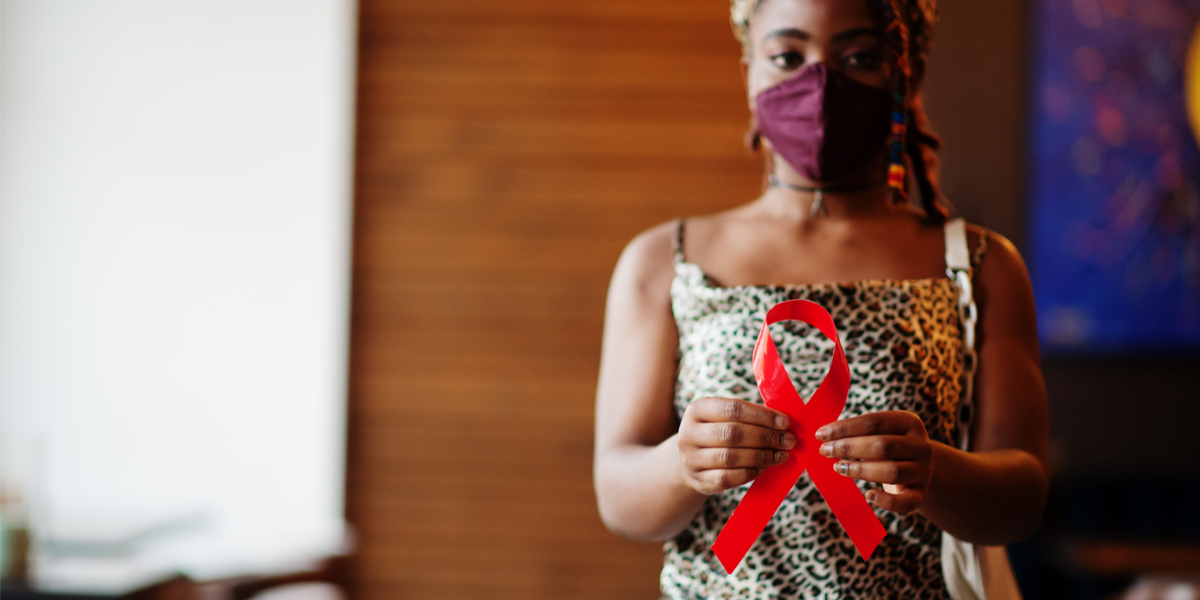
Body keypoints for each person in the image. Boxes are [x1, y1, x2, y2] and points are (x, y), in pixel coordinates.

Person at [591, 0, 1050, 597]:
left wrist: (936, 471)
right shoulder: (664, 262)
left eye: (857, 57)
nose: (819, 84)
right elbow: (616, 492)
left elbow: (1023, 496)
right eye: (787, 56)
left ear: (904, 72)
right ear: (749, 69)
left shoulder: (981, 267)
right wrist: (682, 462)